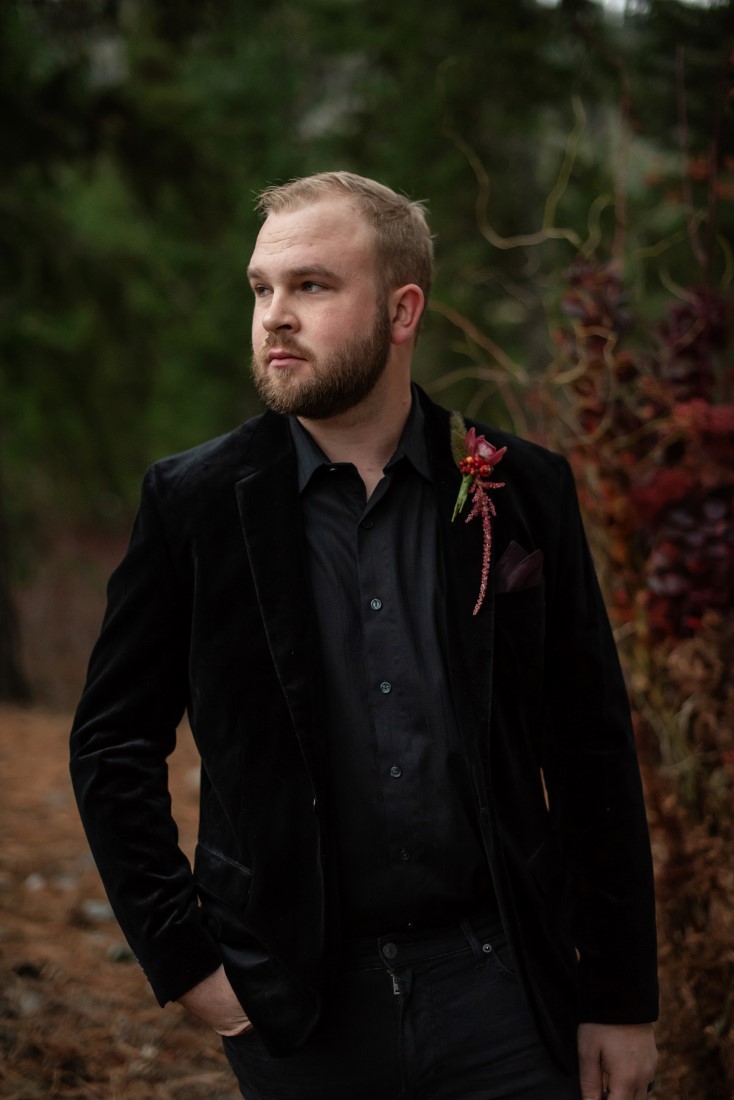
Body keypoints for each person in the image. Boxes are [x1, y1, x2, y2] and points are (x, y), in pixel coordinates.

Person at [70, 171, 658, 1100]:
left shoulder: (520, 488)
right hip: (297, 1005)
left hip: (503, 990)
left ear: (402, 308)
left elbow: (589, 749)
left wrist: (621, 998)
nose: (273, 316)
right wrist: (187, 966)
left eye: (311, 286)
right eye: (261, 289)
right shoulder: (192, 504)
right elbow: (112, 745)